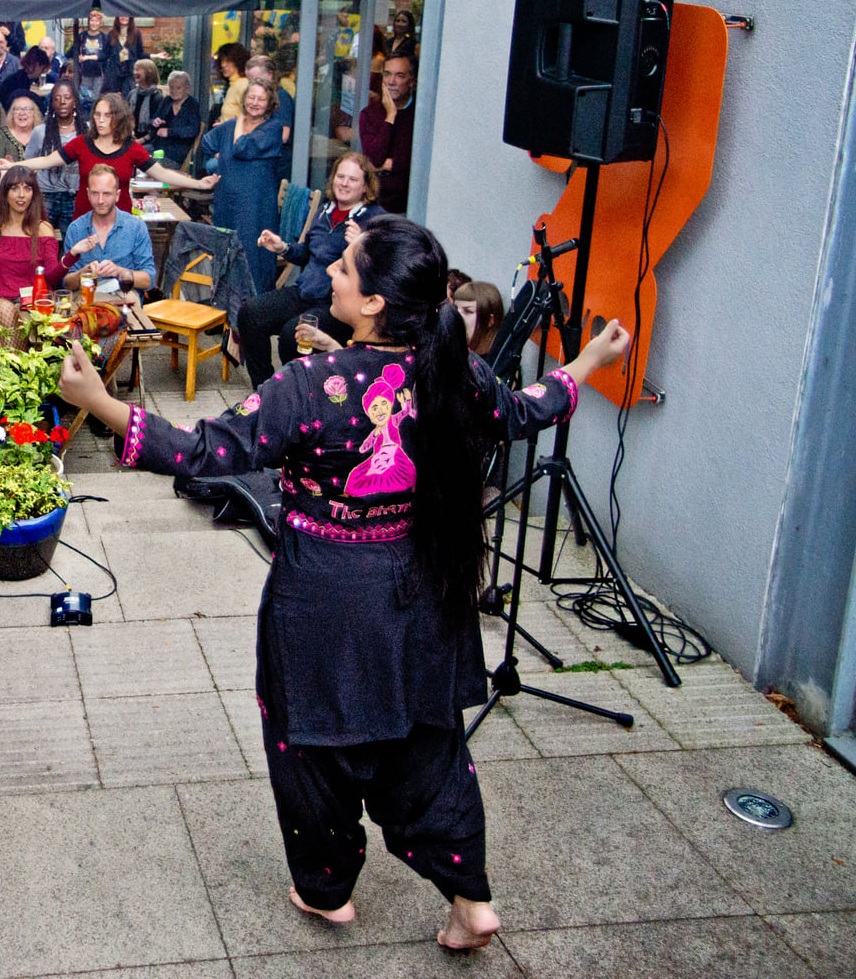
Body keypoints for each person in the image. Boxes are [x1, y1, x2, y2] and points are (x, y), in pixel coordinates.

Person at [56, 213, 631, 953]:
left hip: (324, 598)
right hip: (424, 587)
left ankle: (327, 892)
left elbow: (206, 450)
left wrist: (99, 403)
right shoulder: (454, 369)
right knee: (428, 748)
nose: (329, 271)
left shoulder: (311, 382)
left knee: (313, 749)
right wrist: (585, 362)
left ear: (372, 305)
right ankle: (470, 898)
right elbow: (524, 411)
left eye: (345, 267)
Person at [237, 153, 382, 388]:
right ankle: (264, 388)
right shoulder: (325, 211)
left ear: (366, 186)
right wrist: (282, 247)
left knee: (291, 335)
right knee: (250, 313)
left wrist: (362, 244)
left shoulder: (374, 219)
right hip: (305, 292)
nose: (344, 183)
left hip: (336, 304)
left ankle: (299, 394)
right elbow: (307, 252)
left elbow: (380, 270)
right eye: (340, 176)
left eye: (353, 179)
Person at [9, 93, 216, 220]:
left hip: (121, 222)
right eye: (97, 115)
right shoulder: (82, 144)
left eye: (107, 116)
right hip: (85, 220)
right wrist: (11, 166)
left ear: (118, 118)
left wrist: (199, 184)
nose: (100, 121)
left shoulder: (132, 148)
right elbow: (46, 161)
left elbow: (161, 175)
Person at [202, 80, 292, 298]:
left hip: (255, 205)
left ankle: (252, 308)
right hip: (226, 201)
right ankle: (223, 306)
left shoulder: (272, 128)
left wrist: (239, 121)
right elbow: (207, 142)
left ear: (270, 102)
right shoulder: (231, 126)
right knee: (224, 252)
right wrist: (221, 155)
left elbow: (242, 147)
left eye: (261, 99)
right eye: (251, 97)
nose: (255, 103)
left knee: (252, 255)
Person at [0, 165, 62, 337]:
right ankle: (22, 363)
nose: (21, 195)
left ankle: (14, 363)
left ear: (33, 194)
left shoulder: (43, 229)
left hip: (31, 305)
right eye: (15, 188)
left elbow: (52, 276)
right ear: (5, 193)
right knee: (5, 310)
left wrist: (70, 257)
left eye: (27, 188)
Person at [61, 165, 155, 295]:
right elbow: (66, 284)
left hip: (124, 297)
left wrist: (120, 272)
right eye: (95, 193)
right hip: (87, 297)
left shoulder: (136, 227)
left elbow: (149, 280)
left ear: (117, 195)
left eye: (106, 194)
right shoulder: (76, 228)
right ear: (88, 194)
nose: (100, 201)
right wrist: (84, 272)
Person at [358, 54, 417, 213]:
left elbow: (419, 161)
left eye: (400, 75)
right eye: (387, 74)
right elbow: (374, 159)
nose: (391, 81)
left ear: (412, 81)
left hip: (410, 206)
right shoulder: (370, 114)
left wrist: (394, 164)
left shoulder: (420, 116)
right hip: (376, 205)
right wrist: (390, 116)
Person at [35, 82, 87, 232]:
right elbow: (31, 163)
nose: (62, 102)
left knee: (72, 243)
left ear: (75, 102)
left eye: (67, 97)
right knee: (43, 242)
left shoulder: (86, 132)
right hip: (46, 196)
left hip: (75, 195)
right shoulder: (40, 132)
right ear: (51, 103)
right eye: (57, 98)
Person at [147, 70, 202, 161]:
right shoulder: (167, 101)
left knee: (149, 163)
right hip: (159, 147)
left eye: (178, 88)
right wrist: (155, 122)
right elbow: (151, 121)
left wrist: (169, 132)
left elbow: (193, 130)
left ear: (186, 88)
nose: (174, 91)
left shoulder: (192, 104)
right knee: (137, 154)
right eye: (171, 87)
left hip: (178, 152)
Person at [453, 280, 506, 357]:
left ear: (489, 320)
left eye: (467, 311)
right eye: (454, 309)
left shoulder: (492, 365)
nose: (456, 315)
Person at [0, 94, 40, 166]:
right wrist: (6, 166)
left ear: (34, 113)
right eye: (17, 109)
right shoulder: (2, 134)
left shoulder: (41, 134)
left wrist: (13, 165)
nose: (22, 113)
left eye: (27, 109)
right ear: (12, 115)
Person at [104, 16, 147, 95]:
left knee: (128, 97)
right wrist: (90, 57)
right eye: (121, 15)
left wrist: (155, 55)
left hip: (129, 72)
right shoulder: (111, 33)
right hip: (114, 73)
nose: (124, 17)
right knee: (114, 99)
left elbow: (140, 54)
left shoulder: (136, 33)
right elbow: (105, 53)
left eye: (126, 15)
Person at [72, 9, 112, 91]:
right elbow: (72, 52)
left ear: (100, 23)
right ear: (89, 22)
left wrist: (88, 57)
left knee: (96, 98)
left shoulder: (104, 37)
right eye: (92, 20)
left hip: (99, 75)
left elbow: (105, 55)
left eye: (97, 21)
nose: (94, 23)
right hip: (84, 74)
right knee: (85, 98)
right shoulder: (82, 36)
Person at [126, 59, 163, 140]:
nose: (134, 72)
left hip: (149, 140)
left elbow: (158, 126)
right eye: (134, 69)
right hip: (131, 138)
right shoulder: (132, 94)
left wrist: (142, 140)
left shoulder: (157, 97)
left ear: (148, 72)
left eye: (138, 69)